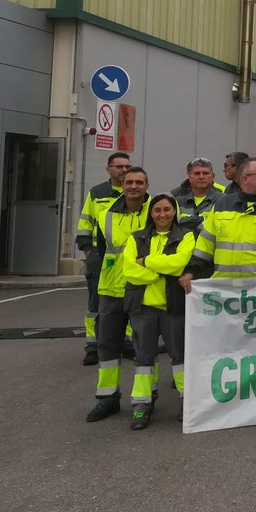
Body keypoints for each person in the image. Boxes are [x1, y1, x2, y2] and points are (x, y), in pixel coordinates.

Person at [85, 166, 151, 422]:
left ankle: (145, 399)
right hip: (111, 288)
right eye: (129, 182)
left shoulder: (156, 211)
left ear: (147, 185)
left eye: (139, 182)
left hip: (143, 288)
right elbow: (101, 250)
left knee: (143, 347)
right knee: (107, 344)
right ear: (122, 184)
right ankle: (107, 398)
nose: (134, 186)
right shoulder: (106, 214)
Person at [122, 193, 193, 429]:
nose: (162, 214)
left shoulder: (186, 236)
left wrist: (147, 262)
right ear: (151, 213)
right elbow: (129, 270)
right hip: (143, 307)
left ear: (175, 212)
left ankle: (188, 401)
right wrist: (160, 270)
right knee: (143, 357)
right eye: (157, 210)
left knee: (180, 356)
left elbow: (180, 263)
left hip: (173, 306)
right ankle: (142, 404)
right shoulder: (136, 238)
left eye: (167, 209)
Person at [179, 157, 256, 286]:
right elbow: (205, 245)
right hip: (225, 289)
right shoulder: (222, 204)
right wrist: (190, 272)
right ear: (244, 178)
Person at [77, 152, 131, 365]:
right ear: (108, 169)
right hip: (100, 258)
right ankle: (93, 346)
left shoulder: (136, 192)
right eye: (119, 167)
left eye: (127, 166)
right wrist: (88, 251)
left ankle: (126, 342)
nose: (123, 171)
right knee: (96, 303)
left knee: (128, 300)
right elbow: (85, 222)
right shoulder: (97, 193)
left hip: (128, 259)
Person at [173, 157, 221, 232]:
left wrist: (185, 221)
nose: (201, 177)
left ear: (213, 177)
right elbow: (173, 225)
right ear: (189, 177)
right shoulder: (178, 202)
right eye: (197, 173)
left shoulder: (222, 200)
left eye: (205, 173)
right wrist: (204, 219)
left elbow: (219, 226)